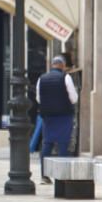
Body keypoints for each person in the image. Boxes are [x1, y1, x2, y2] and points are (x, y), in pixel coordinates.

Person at [37, 55, 79, 184]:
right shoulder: (65, 78)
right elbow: (74, 98)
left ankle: (44, 175)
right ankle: (62, 176)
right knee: (63, 144)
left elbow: (39, 98)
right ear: (62, 65)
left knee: (47, 143)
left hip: (48, 116)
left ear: (52, 65)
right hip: (64, 116)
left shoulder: (41, 78)